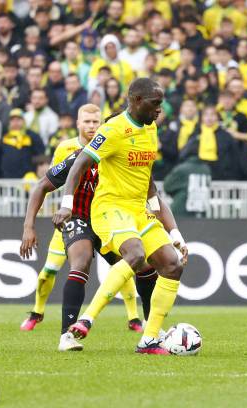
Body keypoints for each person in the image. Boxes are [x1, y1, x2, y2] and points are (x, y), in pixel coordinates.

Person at [53, 78, 188, 355]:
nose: (159, 110)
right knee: (135, 255)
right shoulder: (113, 130)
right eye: (155, 103)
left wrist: (174, 233)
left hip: (139, 209)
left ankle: (149, 339)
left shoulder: (151, 129)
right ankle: (86, 320)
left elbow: (149, 181)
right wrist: (66, 204)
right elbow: (80, 163)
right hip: (110, 208)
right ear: (137, 101)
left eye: (161, 104)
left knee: (172, 265)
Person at [20, 104, 147, 350]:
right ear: (78, 123)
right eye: (87, 122)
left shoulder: (118, 155)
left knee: (140, 265)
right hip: (79, 218)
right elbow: (41, 186)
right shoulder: (76, 155)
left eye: (96, 122)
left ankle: (150, 329)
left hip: (109, 221)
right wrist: (28, 227)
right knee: (80, 262)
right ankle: (64, 336)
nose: (92, 127)